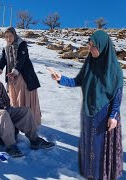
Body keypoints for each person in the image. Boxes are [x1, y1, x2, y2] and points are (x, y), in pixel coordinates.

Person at [49, 30, 123, 179]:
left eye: (93, 46)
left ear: (102, 47)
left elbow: (117, 93)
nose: (89, 49)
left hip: (105, 114)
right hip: (88, 112)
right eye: (89, 45)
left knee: (101, 149)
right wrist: (60, 78)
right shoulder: (89, 62)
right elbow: (78, 81)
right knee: (90, 148)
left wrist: (113, 115)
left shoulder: (114, 68)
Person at [0, 61, 55, 157]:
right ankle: (11, 146)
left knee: (26, 110)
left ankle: (34, 140)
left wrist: (10, 110)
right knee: (3, 113)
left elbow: (6, 100)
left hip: (3, 110)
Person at [0, 27, 42, 125]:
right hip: (12, 76)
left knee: (24, 96)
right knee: (14, 97)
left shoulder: (22, 44)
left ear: (15, 35)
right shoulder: (6, 47)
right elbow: (3, 59)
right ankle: (18, 119)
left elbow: (21, 59)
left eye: (10, 36)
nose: (8, 39)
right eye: (6, 37)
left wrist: (15, 70)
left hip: (24, 76)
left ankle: (30, 120)